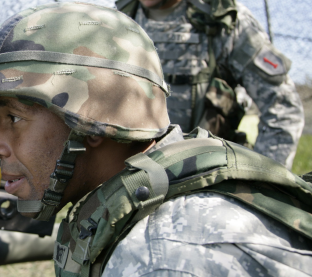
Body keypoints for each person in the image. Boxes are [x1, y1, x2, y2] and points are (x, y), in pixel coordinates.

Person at [0, 2, 312, 277]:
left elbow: (283, 108)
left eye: (14, 118)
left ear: (89, 120)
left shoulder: (161, 267)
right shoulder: (132, 225)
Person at [116, 0, 304, 170]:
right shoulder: (119, 19)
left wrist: (262, 183)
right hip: (130, 178)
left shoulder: (224, 21)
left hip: (204, 184)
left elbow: (283, 108)